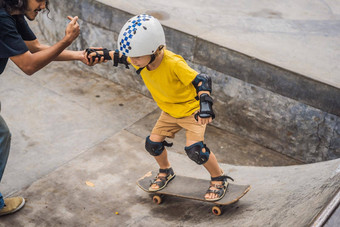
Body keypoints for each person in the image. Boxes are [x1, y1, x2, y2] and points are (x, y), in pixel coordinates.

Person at [86, 14, 233, 201]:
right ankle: (166, 171)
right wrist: (103, 54)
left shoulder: (173, 63)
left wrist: (205, 105)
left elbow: (201, 80)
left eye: (137, 57)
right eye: (133, 57)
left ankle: (219, 178)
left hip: (192, 112)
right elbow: (122, 56)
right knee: (152, 144)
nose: (134, 61)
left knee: (196, 150)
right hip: (169, 112)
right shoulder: (141, 58)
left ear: (157, 49)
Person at [0, 0, 91, 216]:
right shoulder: (2, 18)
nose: (43, 6)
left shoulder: (13, 11)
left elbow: (36, 49)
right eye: (39, 0)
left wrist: (80, 55)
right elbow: (28, 65)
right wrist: (67, 40)